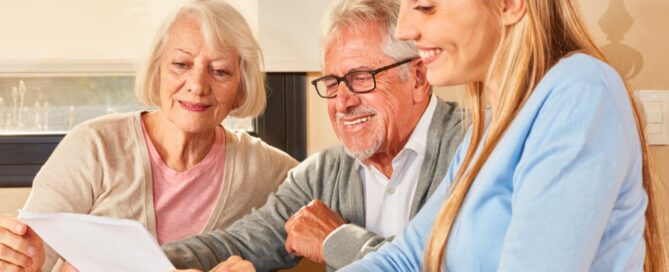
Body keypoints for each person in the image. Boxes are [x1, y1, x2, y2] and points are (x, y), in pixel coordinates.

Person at [340, 0, 667, 271]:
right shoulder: (486, 133)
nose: (404, 31)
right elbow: (407, 258)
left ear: (509, 5)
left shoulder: (579, 92)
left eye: (426, 6)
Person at [161, 0, 464, 271]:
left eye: (360, 78)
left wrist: (336, 240)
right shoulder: (321, 173)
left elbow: (456, 265)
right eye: (333, 83)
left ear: (418, 77)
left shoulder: (478, 145)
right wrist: (149, 262)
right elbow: (240, 244)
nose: (342, 102)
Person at [0, 0, 298, 271]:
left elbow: (329, 206)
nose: (197, 84)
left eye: (219, 71)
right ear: (157, 71)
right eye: (181, 64)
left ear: (242, 86)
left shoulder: (269, 170)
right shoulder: (95, 146)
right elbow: (32, 255)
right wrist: (22, 262)